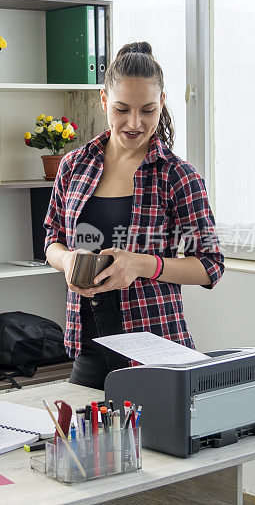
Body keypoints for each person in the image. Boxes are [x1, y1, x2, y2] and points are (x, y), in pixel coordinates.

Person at [43, 41, 224, 390]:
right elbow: (52, 239)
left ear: (162, 104)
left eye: (148, 110)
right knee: (79, 443)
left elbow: (211, 264)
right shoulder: (74, 165)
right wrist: (66, 260)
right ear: (103, 100)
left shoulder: (176, 176)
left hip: (157, 351)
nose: (134, 123)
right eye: (122, 109)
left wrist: (141, 265)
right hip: (89, 349)